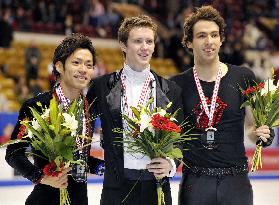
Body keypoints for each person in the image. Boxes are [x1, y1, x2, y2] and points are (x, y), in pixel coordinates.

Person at [170, 5, 274, 205]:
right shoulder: (177, 84)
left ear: (221, 39)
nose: (209, 41)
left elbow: (251, 127)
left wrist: (262, 133)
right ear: (189, 42)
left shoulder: (243, 77)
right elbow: (174, 137)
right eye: (201, 36)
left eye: (214, 35)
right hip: (195, 184)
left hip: (236, 183)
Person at [87, 15, 183, 205]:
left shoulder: (170, 90)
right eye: (138, 41)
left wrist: (171, 163)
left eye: (149, 41)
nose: (145, 47)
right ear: (123, 45)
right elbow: (81, 131)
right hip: (116, 189)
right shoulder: (102, 86)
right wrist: (94, 165)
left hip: (156, 187)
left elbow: (181, 138)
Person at [5, 33, 104, 205]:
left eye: (89, 65)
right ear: (59, 66)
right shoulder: (36, 106)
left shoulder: (90, 108)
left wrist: (107, 168)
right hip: (44, 200)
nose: (83, 69)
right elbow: (13, 153)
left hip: (80, 200)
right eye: (76, 62)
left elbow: (81, 158)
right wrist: (41, 177)